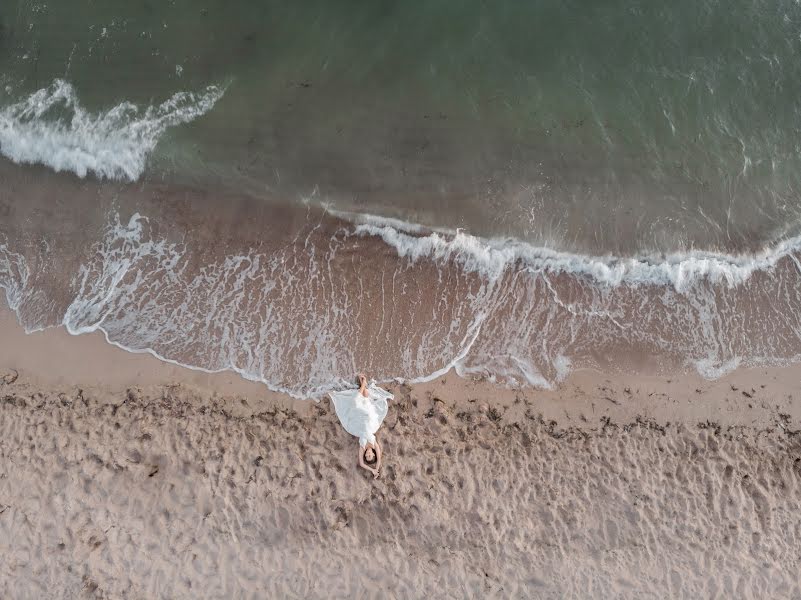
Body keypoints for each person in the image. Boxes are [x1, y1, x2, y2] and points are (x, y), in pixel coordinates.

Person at [328, 373, 393, 478]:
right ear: (373, 453)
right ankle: (363, 383)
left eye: (366, 456)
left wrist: (372, 470)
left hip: (357, 424)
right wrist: (376, 469)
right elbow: (379, 460)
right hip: (369, 421)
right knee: (362, 402)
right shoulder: (374, 445)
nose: (368, 454)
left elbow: (362, 464)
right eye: (370, 455)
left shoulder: (362, 447)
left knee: (357, 402)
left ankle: (363, 385)